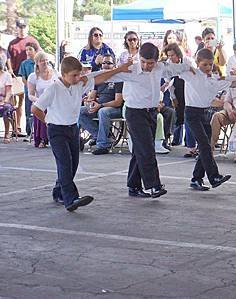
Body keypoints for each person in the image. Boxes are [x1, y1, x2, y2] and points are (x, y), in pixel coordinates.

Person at [31, 56, 131, 211]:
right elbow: (35, 109)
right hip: (57, 130)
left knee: (73, 165)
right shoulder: (53, 88)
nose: (78, 78)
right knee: (64, 163)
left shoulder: (78, 84)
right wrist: (48, 121)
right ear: (63, 74)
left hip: (72, 128)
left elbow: (100, 77)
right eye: (74, 75)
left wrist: (119, 69)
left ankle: (59, 191)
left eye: (79, 74)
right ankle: (71, 199)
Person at [108, 42, 193, 198]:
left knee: (140, 150)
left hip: (152, 113)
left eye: (151, 63)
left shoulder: (160, 67)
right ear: (139, 58)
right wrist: (83, 78)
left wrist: (192, 68)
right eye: (144, 62)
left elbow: (177, 67)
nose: (147, 66)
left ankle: (133, 186)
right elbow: (107, 75)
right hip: (134, 113)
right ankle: (154, 185)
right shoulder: (131, 69)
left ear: (157, 60)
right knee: (147, 150)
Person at [179, 48, 236, 191]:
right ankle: (214, 176)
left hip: (205, 113)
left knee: (206, 146)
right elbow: (179, 66)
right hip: (192, 113)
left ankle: (196, 179)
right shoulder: (191, 74)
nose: (208, 68)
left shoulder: (214, 78)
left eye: (210, 64)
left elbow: (233, 82)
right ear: (198, 63)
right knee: (203, 144)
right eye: (205, 65)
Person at [79, 54, 124, 155]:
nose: (106, 65)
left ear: (114, 65)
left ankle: (103, 145)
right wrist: (89, 101)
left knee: (103, 112)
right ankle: (101, 136)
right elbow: (92, 96)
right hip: (99, 106)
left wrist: (100, 105)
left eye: (109, 63)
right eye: (104, 63)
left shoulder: (118, 79)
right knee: (79, 111)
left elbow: (118, 102)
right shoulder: (99, 78)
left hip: (114, 108)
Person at [7, 18, 41, 137]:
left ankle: (31, 131)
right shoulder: (12, 43)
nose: (21, 29)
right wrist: (10, 70)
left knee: (26, 102)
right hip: (17, 76)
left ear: (27, 27)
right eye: (19, 27)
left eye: (23, 27)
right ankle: (16, 128)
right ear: (16, 28)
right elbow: (8, 58)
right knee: (14, 103)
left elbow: (40, 55)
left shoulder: (33, 41)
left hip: (31, 75)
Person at [164, 43, 197, 157]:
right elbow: (168, 82)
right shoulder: (168, 64)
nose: (170, 58)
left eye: (172, 55)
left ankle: (191, 146)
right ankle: (190, 145)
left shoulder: (188, 61)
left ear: (178, 54)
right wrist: (173, 97)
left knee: (189, 117)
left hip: (190, 90)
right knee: (181, 117)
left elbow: (195, 75)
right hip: (178, 91)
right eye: (169, 55)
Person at [27, 51, 58, 148]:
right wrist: (39, 100)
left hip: (55, 100)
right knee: (40, 108)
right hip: (41, 101)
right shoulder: (33, 77)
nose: (44, 63)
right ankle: (43, 138)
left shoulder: (55, 73)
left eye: (46, 60)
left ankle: (57, 137)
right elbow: (30, 95)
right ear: (37, 63)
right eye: (42, 61)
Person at [18, 42, 39, 140]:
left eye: (30, 49)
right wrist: (30, 87)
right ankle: (29, 132)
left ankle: (40, 133)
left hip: (40, 91)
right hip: (29, 92)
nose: (28, 52)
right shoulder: (24, 63)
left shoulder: (40, 62)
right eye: (26, 50)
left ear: (35, 50)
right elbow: (23, 78)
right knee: (28, 112)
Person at [0, 57, 15, 144]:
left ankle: (6, 133)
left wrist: (4, 101)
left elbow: (9, 92)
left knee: (5, 108)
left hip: (6, 100)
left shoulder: (7, 76)